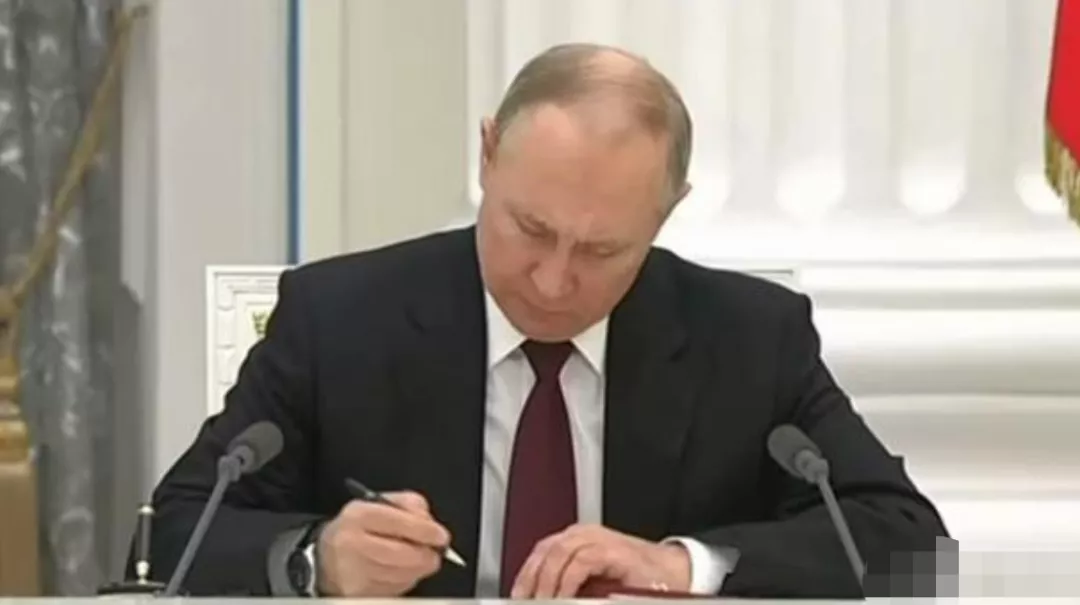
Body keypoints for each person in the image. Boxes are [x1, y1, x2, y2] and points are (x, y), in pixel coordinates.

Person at [143, 43, 949, 599]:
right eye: (530, 228)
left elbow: (911, 545)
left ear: (668, 213)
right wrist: (320, 560)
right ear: (488, 155)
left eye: (602, 249)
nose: (555, 280)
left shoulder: (747, 337)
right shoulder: (340, 317)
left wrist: (683, 567)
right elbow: (170, 535)